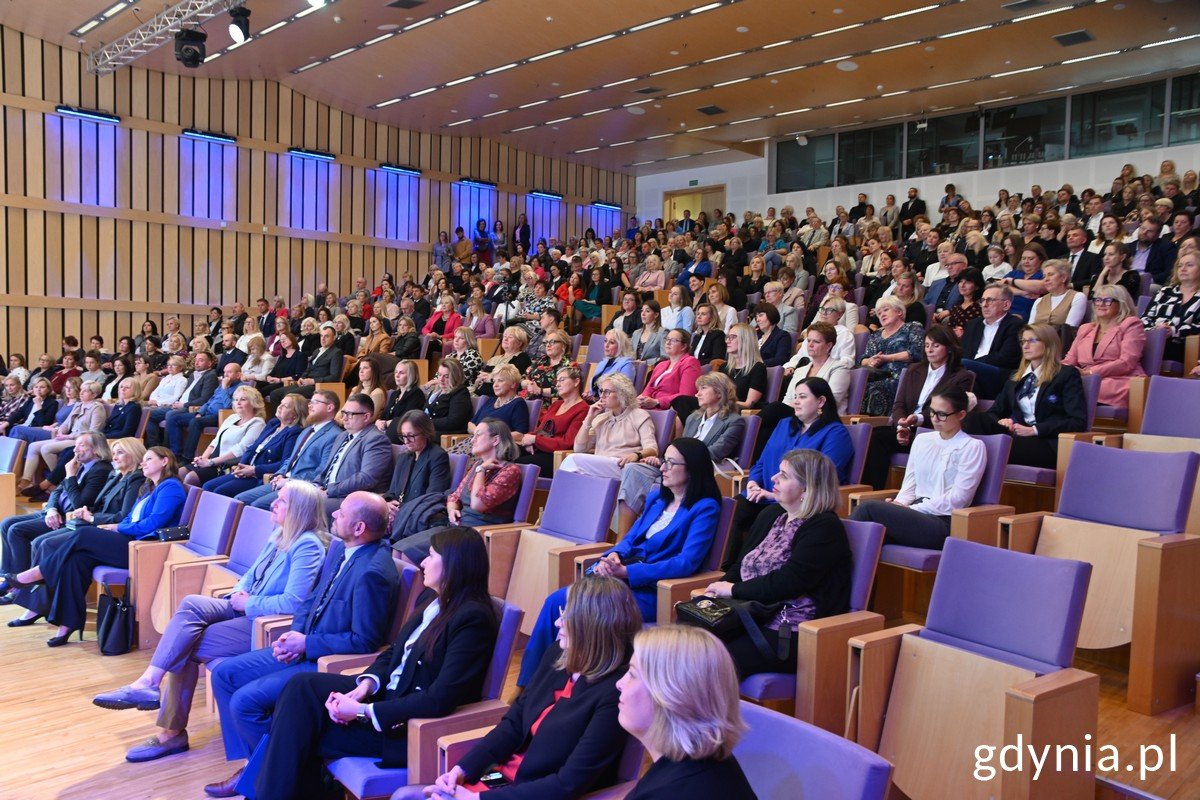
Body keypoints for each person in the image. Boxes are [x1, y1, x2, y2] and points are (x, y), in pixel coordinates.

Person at [245, 527, 498, 800]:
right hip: (386, 695)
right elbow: (393, 653)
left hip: (407, 725)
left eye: (431, 555)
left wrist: (363, 711)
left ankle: (259, 793)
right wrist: (364, 686)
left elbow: (440, 699)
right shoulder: (430, 598)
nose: (422, 562)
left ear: (454, 564)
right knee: (301, 686)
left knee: (297, 728)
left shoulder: (474, 618)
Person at [91, 481, 327, 763]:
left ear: (299, 510)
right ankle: (149, 682)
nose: (274, 504)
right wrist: (239, 591)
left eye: (282, 501)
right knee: (191, 603)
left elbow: (295, 603)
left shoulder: (308, 546)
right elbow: (252, 575)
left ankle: (171, 732)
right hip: (242, 605)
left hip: (267, 623)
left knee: (184, 646)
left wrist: (248, 603)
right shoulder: (279, 533)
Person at [204, 492, 401, 797]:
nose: (334, 515)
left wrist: (307, 644)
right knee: (225, 675)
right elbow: (310, 600)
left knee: (245, 702)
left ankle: (262, 779)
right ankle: (255, 766)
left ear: (359, 528)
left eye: (342, 513)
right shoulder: (341, 550)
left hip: (325, 661)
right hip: (301, 646)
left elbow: (364, 640)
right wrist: (290, 638)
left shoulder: (373, 572)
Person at [393, 576, 640, 800]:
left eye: (566, 616)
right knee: (406, 796)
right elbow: (513, 723)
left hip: (534, 794)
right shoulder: (558, 655)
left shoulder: (614, 694)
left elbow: (567, 784)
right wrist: (462, 769)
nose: (557, 622)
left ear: (591, 628)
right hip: (500, 782)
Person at [4, 446, 185, 646]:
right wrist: (117, 527)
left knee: (84, 533)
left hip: (143, 549)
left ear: (164, 461)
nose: (143, 462)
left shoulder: (171, 487)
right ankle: (68, 624)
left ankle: (33, 575)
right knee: (76, 560)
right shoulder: (149, 487)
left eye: (149, 459)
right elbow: (128, 517)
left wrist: (118, 528)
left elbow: (154, 523)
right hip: (130, 539)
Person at [704, 449, 852, 679]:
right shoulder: (772, 514)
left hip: (788, 629)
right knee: (683, 639)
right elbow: (741, 564)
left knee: (707, 659)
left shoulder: (824, 527)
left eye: (784, 475)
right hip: (749, 612)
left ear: (807, 488)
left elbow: (789, 582)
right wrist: (715, 590)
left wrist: (732, 590)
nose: (773, 478)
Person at [617, 626, 755, 800]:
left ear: (671, 696)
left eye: (632, 674)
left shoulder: (670, 792)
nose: (619, 683)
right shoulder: (711, 765)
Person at [852, 387, 986, 549]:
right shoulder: (922, 440)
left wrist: (910, 509)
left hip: (943, 520)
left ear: (961, 415)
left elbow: (958, 499)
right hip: (915, 511)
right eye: (932, 412)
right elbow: (909, 485)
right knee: (870, 534)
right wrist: (898, 504)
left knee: (869, 508)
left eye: (942, 414)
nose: (935, 419)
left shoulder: (972, 447)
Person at [734, 378, 853, 549]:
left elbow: (822, 478)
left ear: (821, 401)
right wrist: (753, 483)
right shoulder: (784, 424)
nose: (795, 401)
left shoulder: (836, 433)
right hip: (762, 494)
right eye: (795, 396)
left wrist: (773, 495)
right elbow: (761, 462)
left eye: (802, 397)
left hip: (798, 503)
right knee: (734, 508)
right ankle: (724, 568)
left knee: (768, 515)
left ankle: (742, 572)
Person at [0, 432, 112, 602]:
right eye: (76, 444)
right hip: (55, 512)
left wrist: (70, 476)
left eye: (81, 445)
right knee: (7, 523)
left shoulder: (101, 470)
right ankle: (6, 577)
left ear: (96, 449)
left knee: (17, 530)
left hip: (68, 519)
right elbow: (57, 491)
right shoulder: (80, 464)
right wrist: (51, 508)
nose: (76, 449)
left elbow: (80, 504)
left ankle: (18, 586)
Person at [394, 419, 524, 563]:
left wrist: (481, 471)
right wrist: (452, 510)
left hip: (477, 535)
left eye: (478, 435)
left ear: (495, 440)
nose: (472, 440)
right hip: (457, 527)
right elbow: (454, 496)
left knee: (408, 554)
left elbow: (478, 504)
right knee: (398, 549)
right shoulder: (478, 464)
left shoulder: (510, 471)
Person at [962, 323, 1087, 469]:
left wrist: (1034, 430)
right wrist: (1002, 421)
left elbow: (1077, 421)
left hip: (1047, 441)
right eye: (1023, 341)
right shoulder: (1016, 377)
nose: (1025, 346)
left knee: (1001, 446)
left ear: (1048, 343)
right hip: (1018, 434)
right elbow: (994, 412)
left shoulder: (1066, 374)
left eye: (1032, 340)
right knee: (970, 419)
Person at [754, 323, 853, 459]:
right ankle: (757, 465)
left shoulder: (839, 368)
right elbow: (788, 400)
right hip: (798, 416)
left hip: (821, 417)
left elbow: (831, 401)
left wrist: (797, 407)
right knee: (767, 429)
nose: (810, 345)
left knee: (775, 409)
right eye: (809, 341)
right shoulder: (801, 370)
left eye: (816, 341)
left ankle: (747, 431)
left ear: (829, 345)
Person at [234, 390, 343, 510]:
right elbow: (290, 459)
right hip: (283, 480)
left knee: (259, 505)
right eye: (310, 402)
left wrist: (289, 481)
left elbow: (322, 471)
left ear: (330, 407)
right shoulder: (307, 430)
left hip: (300, 486)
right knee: (240, 499)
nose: (310, 406)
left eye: (315, 402)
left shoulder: (334, 435)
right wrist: (279, 474)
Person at [18, 380, 107, 501]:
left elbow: (94, 431)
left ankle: (54, 483)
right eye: (81, 390)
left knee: (46, 449)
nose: (81, 393)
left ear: (94, 394)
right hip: (68, 437)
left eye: (86, 391)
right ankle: (26, 480)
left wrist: (68, 436)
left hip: (81, 441)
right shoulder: (78, 405)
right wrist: (60, 432)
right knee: (33, 446)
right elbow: (66, 424)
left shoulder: (97, 408)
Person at [203, 394, 307, 498]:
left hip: (260, 476)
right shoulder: (273, 424)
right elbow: (252, 448)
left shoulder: (294, 432)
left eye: (286, 406)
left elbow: (284, 464)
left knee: (220, 491)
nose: (279, 407)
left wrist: (254, 470)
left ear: (295, 414)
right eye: (281, 403)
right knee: (207, 486)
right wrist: (241, 465)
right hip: (246, 471)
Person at [1063, 285, 1147, 409]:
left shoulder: (1131, 324)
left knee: (1079, 387)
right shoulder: (1085, 329)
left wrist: (1089, 373)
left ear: (1121, 304)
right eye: (1097, 300)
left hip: (1119, 380)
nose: (1101, 304)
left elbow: (1127, 362)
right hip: (1086, 379)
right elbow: (1069, 360)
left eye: (1108, 300)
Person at [562, 374, 657, 480]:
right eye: (601, 391)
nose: (602, 396)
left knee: (572, 460)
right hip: (602, 466)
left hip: (625, 466)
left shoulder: (639, 415)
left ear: (622, 394)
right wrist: (589, 418)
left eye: (607, 392)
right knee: (573, 465)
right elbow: (579, 448)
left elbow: (652, 449)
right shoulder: (600, 418)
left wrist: (636, 455)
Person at [179, 385, 268, 486]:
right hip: (211, 460)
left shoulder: (257, 423)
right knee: (180, 472)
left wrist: (211, 462)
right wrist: (202, 459)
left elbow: (240, 450)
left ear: (254, 403)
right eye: (236, 399)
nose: (238, 403)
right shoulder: (232, 417)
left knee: (191, 478)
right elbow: (215, 441)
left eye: (243, 400)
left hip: (227, 465)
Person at [516, 367, 590, 478]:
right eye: (557, 381)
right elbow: (540, 430)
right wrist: (529, 439)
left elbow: (568, 443)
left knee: (514, 465)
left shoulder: (583, 409)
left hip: (554, 456)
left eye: (562, 380)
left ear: (576, 382)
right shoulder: (556, 404)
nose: (557, 385)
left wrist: (536, 440)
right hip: (538, 449)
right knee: (504, 454)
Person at [860, 297, 924, 417]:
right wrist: (870, 361)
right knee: (855, 385)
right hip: (875, 375)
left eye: (885, 310)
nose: (882, 314)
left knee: (873, 388)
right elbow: (863, 359)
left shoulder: (912, 327)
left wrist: (887, 358)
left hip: (900, 376)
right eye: (879, 313)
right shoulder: (875, 335)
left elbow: (916, 353)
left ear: (899, 311)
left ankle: (877, 426)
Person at [961, 284, 1024, 400]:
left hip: (998, 374)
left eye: (990, 300)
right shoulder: (973, 324)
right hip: (969, 370)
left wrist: (973, 363)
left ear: (1006, 305)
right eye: (983, 300)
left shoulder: (1016, 325)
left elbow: (1006, 358)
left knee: (963, 366)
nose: (984, 305)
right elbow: (963, 351)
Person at [1142, 250, 1200, 363]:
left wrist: (1173, 330)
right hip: (1152, 338)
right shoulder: (1164, 292)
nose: (1183, 269)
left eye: (1189, 265)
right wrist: (1157, 331)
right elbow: (1144, 319)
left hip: (1182, 344)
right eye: (1180, 266)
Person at [638, 328, 701, 421]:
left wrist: (657, 402)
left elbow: (685, 396)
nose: (668, 343)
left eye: (673, 340)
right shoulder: (661, 365)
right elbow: (648, 389)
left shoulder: (690, 362)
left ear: (683, 346)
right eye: (667, 339)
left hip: (667, 410)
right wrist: (641, 400)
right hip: (648, 407)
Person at [474, 326, 532, 398]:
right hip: (480, 395)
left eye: (510, 337)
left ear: (519, 343)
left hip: (498, 397)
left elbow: (513, 381)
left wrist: (491, 378)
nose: (505, 339)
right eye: (504, 336)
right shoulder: (494, 358)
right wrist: (480, 379)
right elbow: (482, 380)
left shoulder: (522, 358)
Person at [378, 360, 428, 444]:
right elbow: (384, 415)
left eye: (401, 373)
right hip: (388, 430)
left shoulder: (416, 394)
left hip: (402, 434)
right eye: (396, 372)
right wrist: (378, 421)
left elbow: (407, 418)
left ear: (410, 376)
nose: (397, 375)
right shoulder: (395, 394)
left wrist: (387, 423)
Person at [425, 359, 473, 435]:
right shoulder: (436, 390)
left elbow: (453, 421)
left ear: (455, 376)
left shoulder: (460, 392)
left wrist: (425, 422)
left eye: (446, 376)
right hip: (428, 430)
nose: (441, 379)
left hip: (444, 435)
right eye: (439, 375)